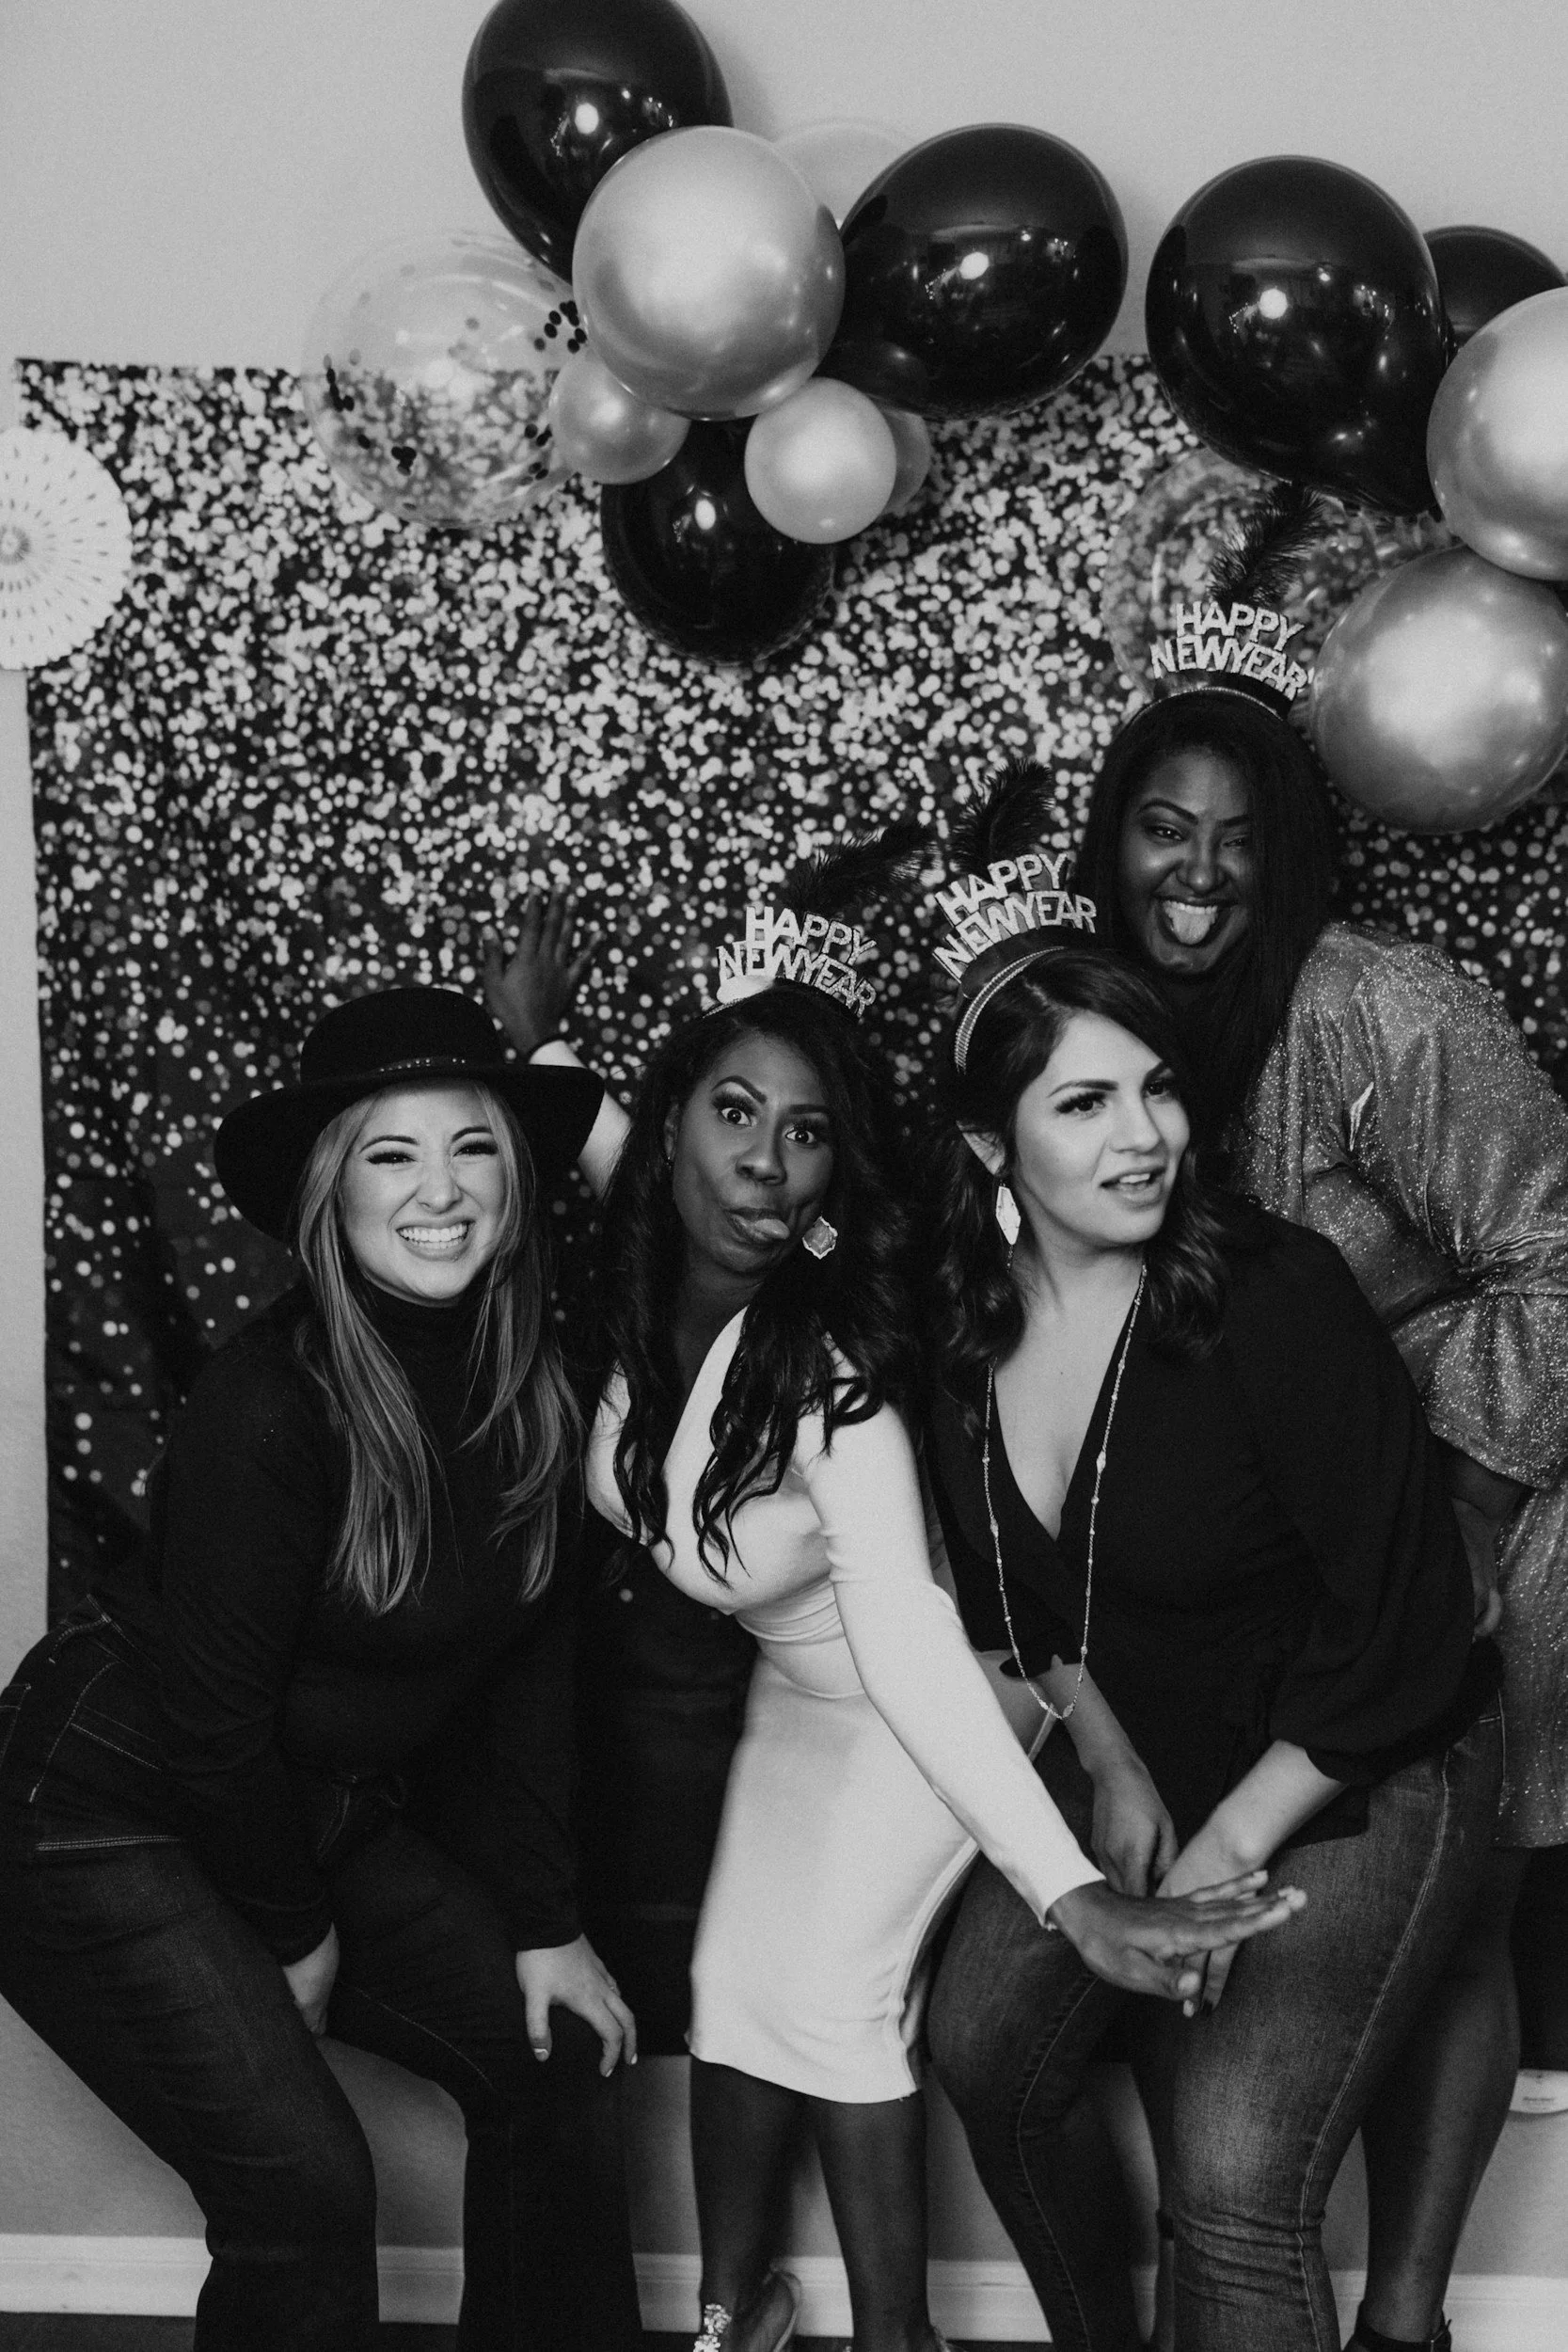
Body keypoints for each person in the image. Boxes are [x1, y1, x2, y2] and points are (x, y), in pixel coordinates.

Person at [485, 875, 1305, 2352]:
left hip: (935, 1693)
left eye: (805, 1134)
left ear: (833, 1174)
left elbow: (914, 1646)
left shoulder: (829, 1372)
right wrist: (536, 1050)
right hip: (800, 1699)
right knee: (734, 1988)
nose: (763, 1163)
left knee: (839, 2006)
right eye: (732, 1113)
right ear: (676, 1123)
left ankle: (893, 2338)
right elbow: (602, 1141)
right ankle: (737, 2313)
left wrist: (1071, 1894)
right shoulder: (636, 1257)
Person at [915, 836, 1503, 2352]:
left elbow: (1409, 1618)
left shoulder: (1271, 1292)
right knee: (982, 2052)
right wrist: (1103, 1758)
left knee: (1233, 2185)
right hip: (1152, 1752)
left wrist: (1225, 1847)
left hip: (1352, 1761)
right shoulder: (958, 1335)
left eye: (1157, 1089)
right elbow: (1005, 1586)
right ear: (992, 1148)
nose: (1142, 1138)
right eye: (1082, 1103)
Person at [0, 985, 642, 2352]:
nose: (439, 1191)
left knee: (561, 2057)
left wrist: (545, 1919)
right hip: (103, 1807)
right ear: (329, 1196)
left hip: (306, 1800)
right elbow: (213, 1721)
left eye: (470, 1147)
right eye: (389, 1155)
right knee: (304, 2186)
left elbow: (532, 1666)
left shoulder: (542, 1386)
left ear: (519, 1178)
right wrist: (289, 1932)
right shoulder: (270, 1402)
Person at [1074, 589, 1568, 2348]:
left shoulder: (1381, 1007)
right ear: (1112, 841)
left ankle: (1410, 2314)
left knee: (1460, 1902)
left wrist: (1453, 1484)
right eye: (1160, 828)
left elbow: (1559, 1253)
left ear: (1288, 853)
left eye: (1236, 836)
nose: (1195, 871)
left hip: (1489, 1501)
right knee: (1323, 1911)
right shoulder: (1098, 1020)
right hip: (1278, 1556)